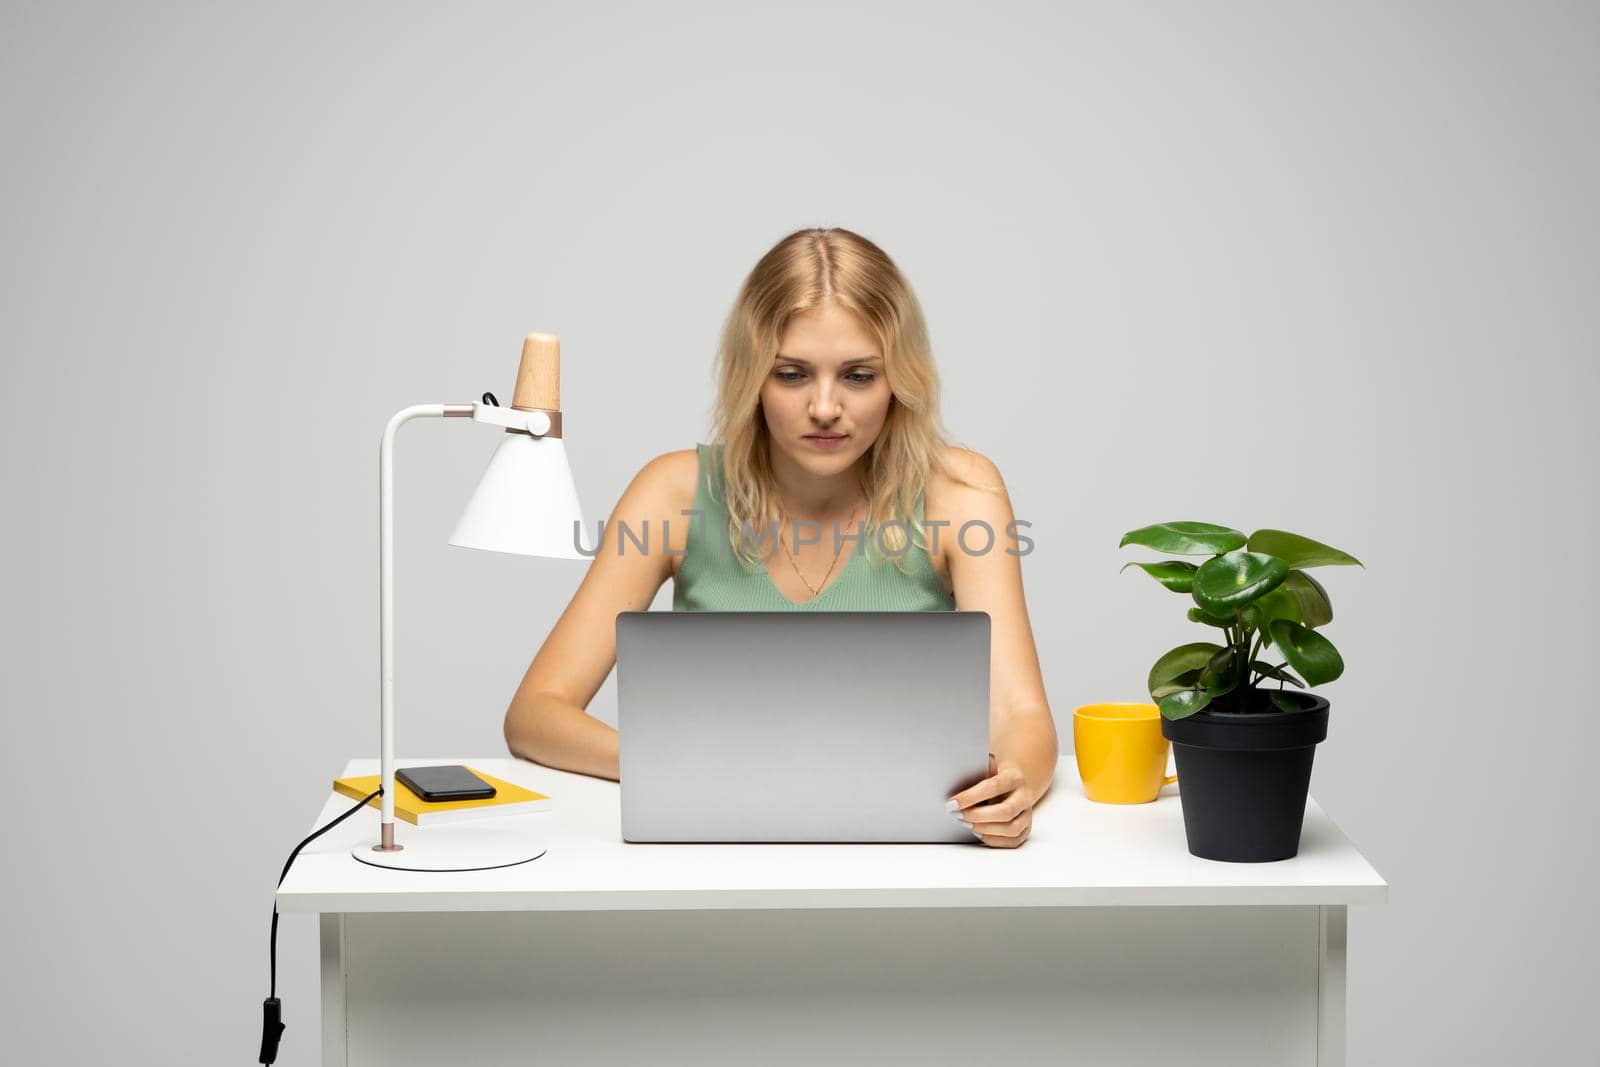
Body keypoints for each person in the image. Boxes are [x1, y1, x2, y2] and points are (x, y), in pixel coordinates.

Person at [504, 227, 1058, 847]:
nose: (824, 407)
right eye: (792, 374)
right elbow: (536, 713)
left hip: (906, 859)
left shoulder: (962, 491)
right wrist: (685, 769)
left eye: (857, 376)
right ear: (752, 380)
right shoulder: (672, 493)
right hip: (708, 856)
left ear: (899, 380)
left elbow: (1020, 715)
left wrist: (1014, 784)